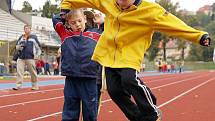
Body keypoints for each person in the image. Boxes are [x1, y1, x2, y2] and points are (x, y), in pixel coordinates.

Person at [60, 1, 211, 121]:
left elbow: (174, 24)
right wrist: (66, 6)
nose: (121, 4)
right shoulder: (109, 2)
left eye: (125, 1)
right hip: (109, 56)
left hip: (130, 54)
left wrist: (199, 36)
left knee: (128, 80)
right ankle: (138, 117)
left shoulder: (150, 10)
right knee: (114, 91)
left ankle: (152, 112)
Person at [52, 9, 103, 121]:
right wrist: (65, 13)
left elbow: (110, 29)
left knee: (90, 111)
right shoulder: (65, 33)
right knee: (70, 109)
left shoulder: (96, 33)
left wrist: (101, 21)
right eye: (73, 23)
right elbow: (55, 19)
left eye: (79, 21)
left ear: (85, 19)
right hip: (71, 79)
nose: (77, 24)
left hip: (89, 79)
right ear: (68, 23)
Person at [13, 24, 41, 90]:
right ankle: (18, 86)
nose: (26, 29)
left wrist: (37, 55)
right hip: (21, 57)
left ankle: (35, 86)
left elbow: (39, 48)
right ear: (24, 29)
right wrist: (19, 47)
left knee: (33, 72)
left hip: (30, 57)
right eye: (25, 28)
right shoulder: (21, 37)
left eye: (28, 28)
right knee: (19, 72)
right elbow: (16, 47)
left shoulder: (34, 37)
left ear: (30, 29)